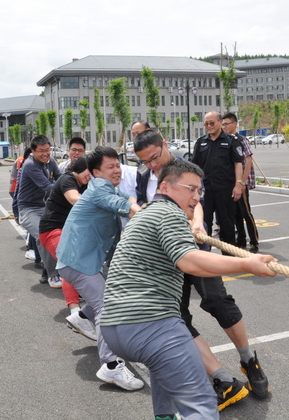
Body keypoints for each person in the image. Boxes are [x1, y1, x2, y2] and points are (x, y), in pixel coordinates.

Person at [101, 159, 277, 419]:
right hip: (150, 324)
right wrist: (247, 263)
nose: (196, 197)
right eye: (191, 189)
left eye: (199, 191)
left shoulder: (146, 214)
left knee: (164, 379)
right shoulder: (169, 213)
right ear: (165, 187)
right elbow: (189, 261)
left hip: (114, 329)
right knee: (201, 405)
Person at [135, 130, 270, 410]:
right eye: (145, 161)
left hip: (194, 250)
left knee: (218, 301)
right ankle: (222, 378)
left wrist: (197, 223)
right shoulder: (144, 176)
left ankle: (248, 360)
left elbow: (197, 202)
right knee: (176, 316)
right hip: (165, 261)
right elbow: (141, 205)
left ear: (164, 144)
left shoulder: (185, 169)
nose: (152, 165)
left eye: (154, 157)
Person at [55, 146, 143, 391]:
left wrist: (135, 204)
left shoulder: (106, 187)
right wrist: (149, 217)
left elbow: (127, 200)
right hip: (78, 261)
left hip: (83, 259)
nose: (117, 170)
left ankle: (82, 317)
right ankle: (111, 365)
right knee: (106, 306)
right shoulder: (100, 190)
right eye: (110, 167)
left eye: (118, 165)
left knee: (110, 294)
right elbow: (122, 205)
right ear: (96, 172)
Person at [38, 156, 92, 335]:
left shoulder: (85, 184)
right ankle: (75, 313)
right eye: (89, 172)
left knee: (83, 262)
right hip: (52, 230)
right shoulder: (68, 179)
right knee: (69, 263)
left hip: (69, 232)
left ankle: (84, 302)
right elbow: (74, 199)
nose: (90, 176)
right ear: (80, 168)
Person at [191, 111, 244, 252]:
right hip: (205, 191)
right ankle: (205, 256)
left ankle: (229, 258)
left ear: (220, 123)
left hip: (225, 191)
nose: (209, 126)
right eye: (206, 124)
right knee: (204, 225)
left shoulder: (231, 140)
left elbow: (238, 163)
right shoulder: (201, 142)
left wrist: (238, 184)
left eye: (212, 123)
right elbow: (194, 167)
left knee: (227, 226)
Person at [14, 135, 61, 287]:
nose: (45, 154)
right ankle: (53, 275)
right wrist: (68, 188)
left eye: (47, 150)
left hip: (45, 207)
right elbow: (47, 186)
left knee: (60, 233)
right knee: (43, 236)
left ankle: (48, 271)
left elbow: (60, 178)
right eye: (41, 151)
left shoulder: (50, 161)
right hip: (28, 209)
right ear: (33, 151)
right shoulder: (30, 165)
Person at [221, 113, 260, 253]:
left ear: (234, 124)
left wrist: (242, 182)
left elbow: (248, 161)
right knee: (235, 213)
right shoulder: (225, 140)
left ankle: (254, 241)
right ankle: (241, 240)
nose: (224, 127)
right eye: (222, 124)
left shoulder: (242, 140)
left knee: (246, 212)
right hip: (230, 183)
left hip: (241, 183)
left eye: (226, 124)